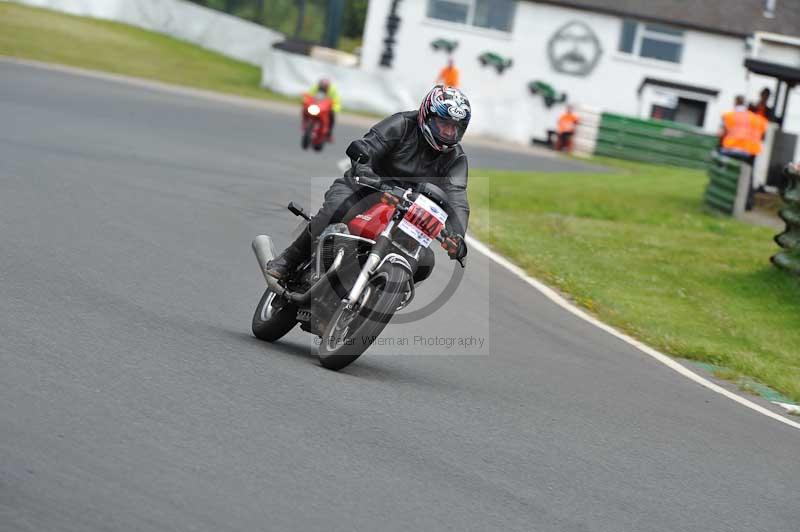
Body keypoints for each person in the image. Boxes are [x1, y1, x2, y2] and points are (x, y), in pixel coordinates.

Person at [266, 85, 471, 280]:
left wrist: (457, 236)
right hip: (365, 188)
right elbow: (366, 147)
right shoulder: (401, 124)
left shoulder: (456, 158)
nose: (448, 132)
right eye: (443, 123)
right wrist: (367, 173)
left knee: (425, 262)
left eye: (455, 127)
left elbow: (458, 198)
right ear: (427, 116)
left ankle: (388, 293)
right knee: (335, 210)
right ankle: (289, 260)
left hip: (408, 211)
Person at [719, 95, 769, 209]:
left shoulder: (729, 115)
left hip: (732, 149)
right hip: (751, 150)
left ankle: (727, 200)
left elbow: (721, 133)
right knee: (748, 176)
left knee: (730, 173)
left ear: (735, 102)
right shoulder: (756, 118)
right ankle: (748, 203)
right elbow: (763, 132)